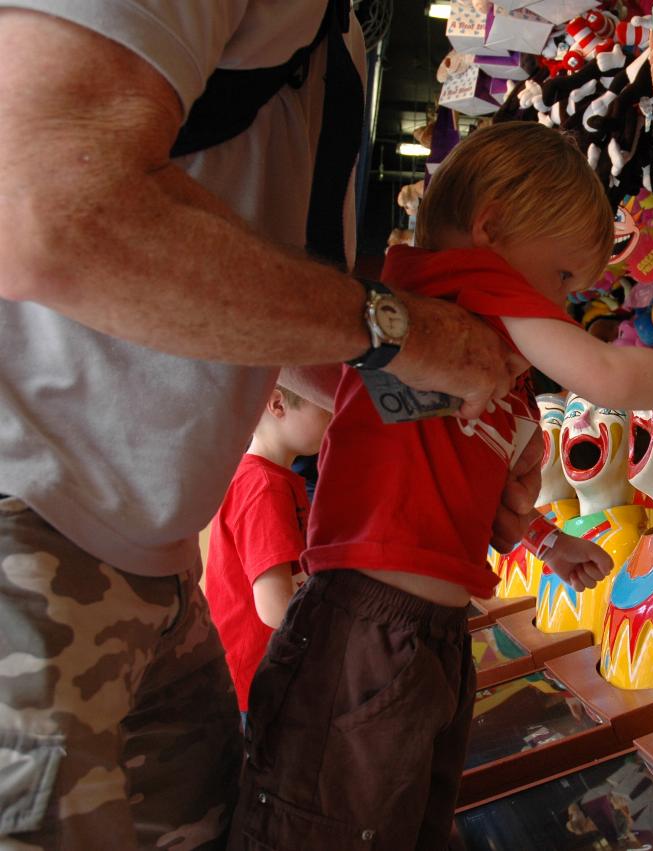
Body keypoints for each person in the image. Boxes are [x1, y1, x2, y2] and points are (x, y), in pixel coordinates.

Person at [0, 3, 526, 848]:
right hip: (29, 531)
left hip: (150, 567)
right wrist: (400, 331)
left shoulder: (338, 35)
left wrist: (440, 448)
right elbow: (48, 210)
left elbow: (256, 310)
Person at [229, 121, 653, 849]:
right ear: (492, 229)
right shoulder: (463, 282)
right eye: (564, 277)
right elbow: (606, 375)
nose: (565, 306)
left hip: (427, 632)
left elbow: (479, 482)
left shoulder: (486, 348)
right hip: (367, 621)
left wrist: (550, 542)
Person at [206, 387, 331, 720]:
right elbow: (276, 609)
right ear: (277, 404)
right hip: (259, 682)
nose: (335, 415)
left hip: (269, 675)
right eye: (325, 405)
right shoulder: (264, 486)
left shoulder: (274, 479)